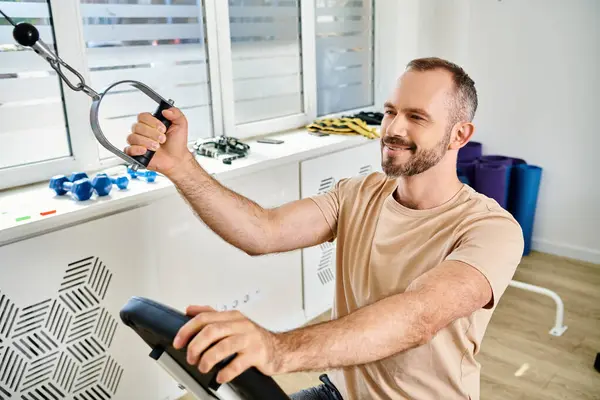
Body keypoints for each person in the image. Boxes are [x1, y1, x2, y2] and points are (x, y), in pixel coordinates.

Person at [124, 57, 524, 400]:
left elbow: (417, 317)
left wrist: (278, 349)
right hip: (338, 391)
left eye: (416, 117)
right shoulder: (358, 193)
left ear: (460, 134)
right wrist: (181, 167)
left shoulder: (491, 230)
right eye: (390, 111)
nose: (393, 129)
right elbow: (263, 231)